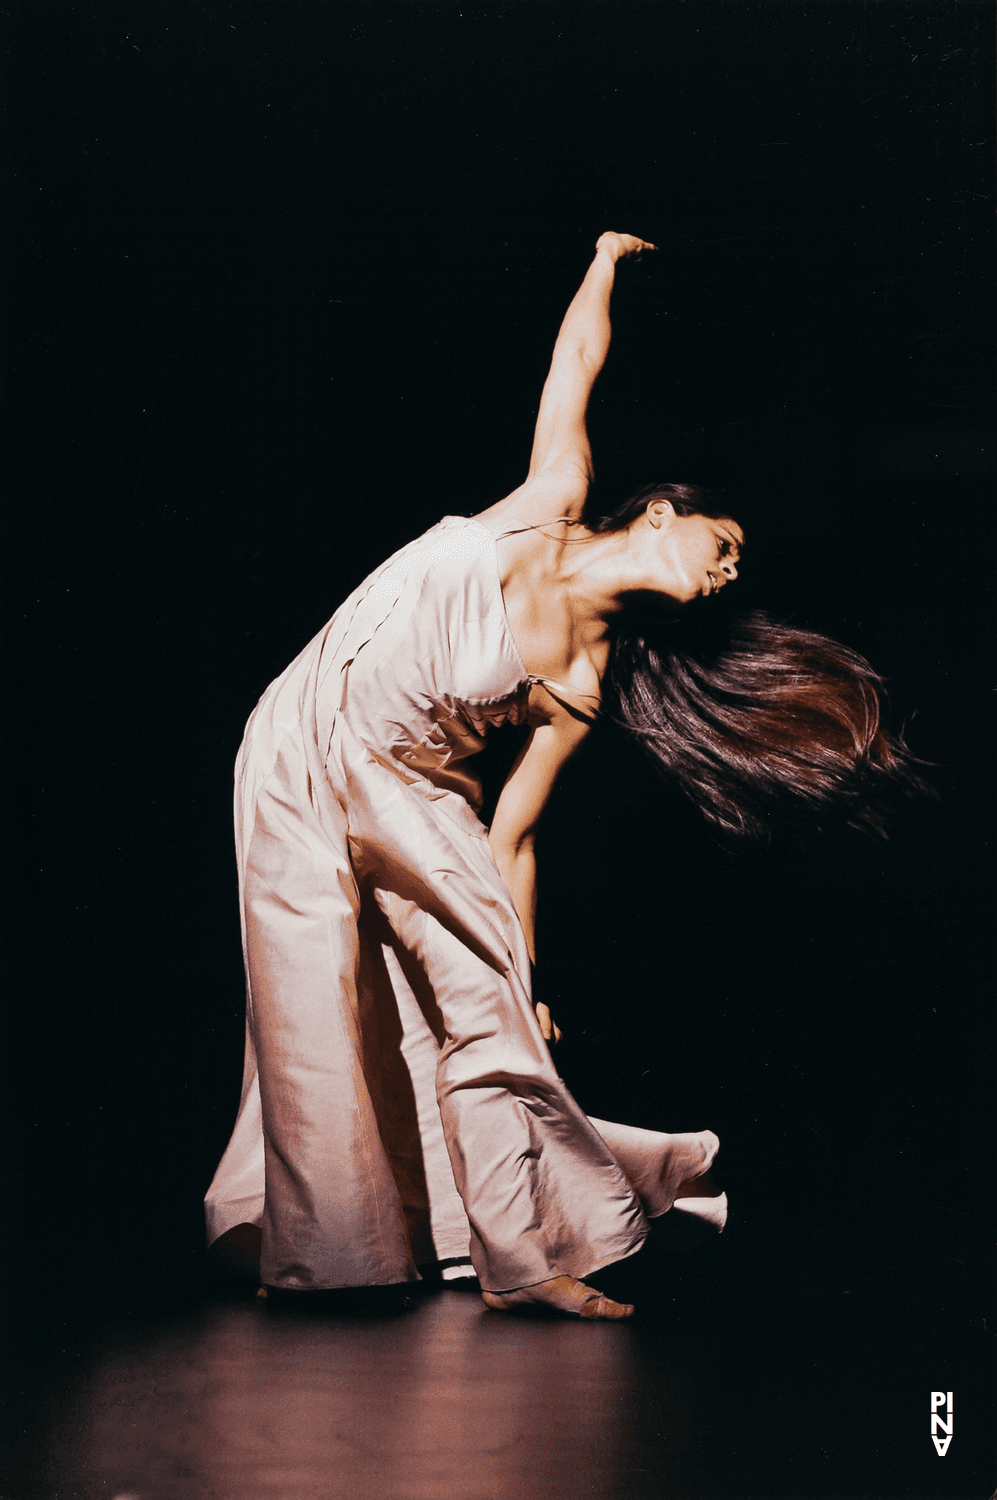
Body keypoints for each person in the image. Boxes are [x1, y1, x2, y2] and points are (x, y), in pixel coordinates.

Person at [205, 233, 918, 1320]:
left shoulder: (581, 681)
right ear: (661, 513)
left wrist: (524, 968)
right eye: (721, 542)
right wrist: (601, 264)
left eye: (736, 566)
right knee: (309, 997)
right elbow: (575, 361)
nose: (731, 567)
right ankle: (321, 1250)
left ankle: (528, 1260)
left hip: (408, 783)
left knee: (488, 1014)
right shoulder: (550, 502)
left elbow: (515, 834)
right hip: (293, 740)